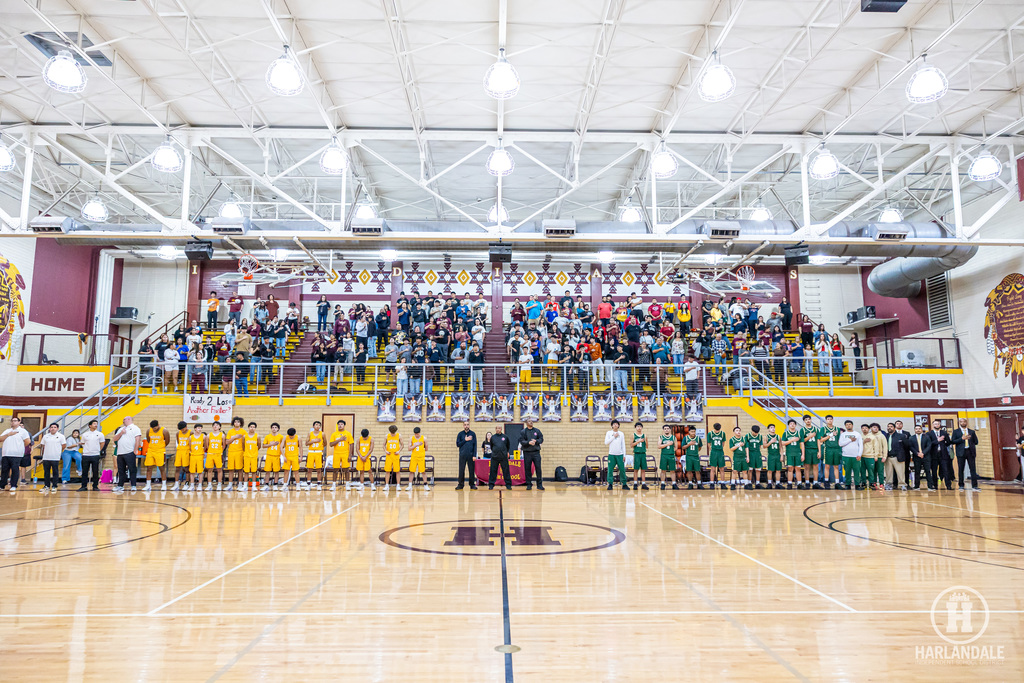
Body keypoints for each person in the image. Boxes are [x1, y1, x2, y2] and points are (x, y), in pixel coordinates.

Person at [112, 416, 142, 493]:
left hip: (129, 452)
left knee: (132, 469)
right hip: (120, 453)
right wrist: (121, 433)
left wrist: (135, 450)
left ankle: (133, 486)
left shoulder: (135, 428)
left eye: (124, 419)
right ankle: (120, 486)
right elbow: (114, 439)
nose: (123, 421)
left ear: (128, 419)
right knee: (121, 470)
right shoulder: (121, 429)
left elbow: (138, 439)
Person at [921, 420, 952, 491]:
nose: (937, 425)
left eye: (938, 424)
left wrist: (943, 445)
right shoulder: (929, 434)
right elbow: (929, 444)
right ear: (933, 425)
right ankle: (935, 485)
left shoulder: (944, 433)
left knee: (946, 470)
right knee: (934, 471)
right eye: (935, 424)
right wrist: (937, 440)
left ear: (939, 425)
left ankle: (948, 485)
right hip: (933, 455)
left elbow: (948, 442)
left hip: (943, 454)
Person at [951, 418, 980, 491]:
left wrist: (970, 441)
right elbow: (953, 441)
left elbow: (976, 442)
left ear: (966, 423)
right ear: (959, 423)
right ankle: (961, 485)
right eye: (961, 422)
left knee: (973, 469)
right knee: (961, 469)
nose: (963, 423)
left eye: (964, 421)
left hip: (970, 452)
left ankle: (974, 486)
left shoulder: (971, 431)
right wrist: (962, 439)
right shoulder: (956, 432)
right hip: (961, 452)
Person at [37, 423, 66, 493]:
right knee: (46, 472)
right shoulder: (45, 436)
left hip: (55, 457)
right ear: (49, 429)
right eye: (51, 427)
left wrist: (57, 451)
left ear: (57, 428)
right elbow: (43, 445)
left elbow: (64, 445)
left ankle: (54, 486)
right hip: (46, 457)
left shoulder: (61, 436)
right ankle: (46, 486)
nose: (53, 428)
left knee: (55, 472)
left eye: (54, 427)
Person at [143, 419, 171, 491]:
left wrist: (160, 446)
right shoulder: (149, 431)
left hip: (160, 451)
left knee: (161, 468)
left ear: (158, 425)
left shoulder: (164, 431)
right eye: (153, 428)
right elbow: (148, 440)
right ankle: (148, 485)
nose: (154, 429)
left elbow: (167, 441)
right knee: (149, 468)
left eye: (155, 428)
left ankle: (164, 485)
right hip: (151, 450)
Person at [79, 419, 105, 491]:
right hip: (86, 455)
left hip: (95, 455)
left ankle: (95, 486)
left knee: (95, 471)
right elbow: (82, 443)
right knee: (84, 472)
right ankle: (83, 486)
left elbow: (102, 443)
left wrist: (98, 450)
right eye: (94, 424)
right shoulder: (85, 434)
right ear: (90, 425)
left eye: (96, 424)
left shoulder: (100, 434)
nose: (96, 425)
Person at [519, 419, 545, 490]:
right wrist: (528, 443)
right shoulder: (523, 431)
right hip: (527, 452)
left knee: (538, 468)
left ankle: (539, 485)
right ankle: (529, 484)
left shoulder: (537, 431)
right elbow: (521, 441)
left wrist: (536, 441)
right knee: (527, 469)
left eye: (531, 421)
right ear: (526, 423)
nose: (531, 422)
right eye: (529, 421)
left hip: (536, 452)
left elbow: (541, 439)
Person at [819, 415, 842, 490]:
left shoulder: (837, 429)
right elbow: (821, 440)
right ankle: (826, 482)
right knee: (827, 466)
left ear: (833, 420)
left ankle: (837, 483)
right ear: (826, 420)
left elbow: (839, 440)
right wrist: (830, 435)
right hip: (828, 449)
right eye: (828, 419)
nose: (829, 420)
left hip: (836, 449)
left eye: (831, 419)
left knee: (836, 466)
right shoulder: (823, 429)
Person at [837, 420, 862, 490]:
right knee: (847, 471)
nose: (848, 425)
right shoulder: (843, 434)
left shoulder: (857, 434)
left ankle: (857, 485)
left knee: (857, 471)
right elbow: (840, 444)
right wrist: (850, 440)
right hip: (846, 456)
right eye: (847, 424)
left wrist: (859, 454)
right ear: (845, 426)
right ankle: (848, 484)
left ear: (852, 425)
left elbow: (861, 445)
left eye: (849, 424)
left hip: (855, 456)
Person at [799, 414, 821, 489]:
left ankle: (815, 483)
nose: (808, 421)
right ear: (804, 421)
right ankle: (807, 482)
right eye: (806, 420)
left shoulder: (816, 429)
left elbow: (818, 440)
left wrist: (819, 451)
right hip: (807, 450)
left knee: (816, 466)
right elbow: (802, 441)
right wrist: (809, 436)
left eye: (809, 419)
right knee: (807, 467)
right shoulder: (802, 430)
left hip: (815, 449)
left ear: (811, 420)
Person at [329, 419, 353, 490]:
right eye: (339, 424)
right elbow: (331, 444)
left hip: (345, 453)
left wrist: (350, 455)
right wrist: (340, 439)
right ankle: (333, 485)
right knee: (335, 469)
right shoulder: (334, 434)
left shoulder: (348, 434)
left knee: (346, 469)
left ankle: (347, 484)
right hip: (336, 453)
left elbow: (351, 444)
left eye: (341, 424)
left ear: (344, 425)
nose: (340, 425)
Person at [604, 420, 628, 490]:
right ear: (612, 426)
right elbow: (606, 442)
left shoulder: (621, 433)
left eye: (616, 424)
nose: (615, 425)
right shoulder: (609, 433)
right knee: (610, 470)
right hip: (611, 455)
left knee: (622, 470)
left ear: (618, 425)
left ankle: (624, 484)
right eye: (614, 424)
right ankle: (610, 484)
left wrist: (624, 455)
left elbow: (623, 445)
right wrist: (613, 436)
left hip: (620, 455)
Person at [487, 425, 513, 490]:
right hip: (494, 457)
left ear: (501, 429)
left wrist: (505, 452)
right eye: (496, 428)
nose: (497, 429)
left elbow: (508, 446)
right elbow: (491, 446)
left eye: (499, 428)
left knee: (506, 471)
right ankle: (491, 485)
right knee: (493, 471)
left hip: (503, 457)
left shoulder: (505, 437)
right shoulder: (493, 437)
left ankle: (508, 485)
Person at [224, 416, 246, 491]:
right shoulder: (230, 431)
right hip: (231, 452)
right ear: (233, 423)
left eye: (238, 422)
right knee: (231, 469)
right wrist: (235, 437)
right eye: (235, 422)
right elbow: (227, 442)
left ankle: (240, 484)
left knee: (240, 469)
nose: (236, 423)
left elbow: (245, 442)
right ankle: (230, 485)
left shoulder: (243, 432)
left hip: (240, 452)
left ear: (240, 423)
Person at [862, 423, 886, 491]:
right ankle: (873, 483)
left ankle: (881, 483)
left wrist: (884, 456)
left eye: (877, 427)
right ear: (871, 428)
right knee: (873, 471)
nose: (875, 429)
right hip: (871, 456)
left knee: (880, 471)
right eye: (874, 427)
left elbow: (885, 446)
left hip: (879, 456)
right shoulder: (867, 436)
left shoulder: (881, 436)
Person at [455, 421, 478, 490]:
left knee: (471, 470)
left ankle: (472, 484)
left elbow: (475, 445)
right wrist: (465, 440)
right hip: (462, 455)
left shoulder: (473, 434)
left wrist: (474, 455)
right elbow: (458, 444)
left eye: (467, 424)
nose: (466, 426)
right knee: (461, 470)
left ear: (469, 425)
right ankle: (460, 485)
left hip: (471, 455)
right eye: (465, 425)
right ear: (463, 426)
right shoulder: (460, 434)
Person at [781, 419, 803, 490]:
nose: (792, 425)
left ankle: (799, 483)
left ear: (795, 425)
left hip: (797, 453)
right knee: (790, 469)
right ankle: (789, 483)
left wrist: (803, 454)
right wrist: (792, 440)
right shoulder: (786, 433)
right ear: (788, 425)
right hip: (789, 453)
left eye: (793, 424)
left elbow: (802, 444)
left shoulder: (799, 433)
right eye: (791, 424)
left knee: (798, 469)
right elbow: (782, 443)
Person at [205, 420, 227, 491]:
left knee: (219, 469)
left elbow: (224, 445)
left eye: (217, 425)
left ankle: (219, 484)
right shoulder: (209, 435)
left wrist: (219, 451)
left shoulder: (222, 435)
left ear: (219, 427)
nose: (215, 426)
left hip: (218, 454)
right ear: (212, 427)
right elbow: (207, 445)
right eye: (214, 425)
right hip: (210, 454)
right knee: (209, 470)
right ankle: (209, 485)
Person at [186, 423, 207, 492]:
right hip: (193, 455)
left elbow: (205, 445)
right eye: (198, 428)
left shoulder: (203, 436)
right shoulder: (191, 437)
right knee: (192, 472)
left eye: (201, 428)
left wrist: (203, 452)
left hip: (200, 455)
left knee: (200, 472)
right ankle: (192, 485)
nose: (200, 429)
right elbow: (189, 446)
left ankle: (199, 485)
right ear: (195, 429)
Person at [262, 423, 283, 490]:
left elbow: (283, 446)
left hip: (277, 456)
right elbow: (263, 446)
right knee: (267, 471)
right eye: (273, 427)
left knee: (276, 471)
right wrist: (271, 444)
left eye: (275, 427)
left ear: (278, 429)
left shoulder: (281, 437)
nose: (274, 429)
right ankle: (266, 484)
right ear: (271, 428)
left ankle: (275, 485)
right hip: (269, 455)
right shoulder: (268, 436)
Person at [305, 421, 326, 490]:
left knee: (319, 469)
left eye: (319, 425)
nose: (317, 426)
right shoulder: (310, 433)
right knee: (309, 469)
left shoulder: (322, 434)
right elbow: (306, 443)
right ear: (313, 426)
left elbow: (325, 443)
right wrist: (314, 441)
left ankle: (319, 484)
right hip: (311, 452)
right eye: (316, 425)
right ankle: (308, 484)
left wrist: (320, 446)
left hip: (318, 452)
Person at [657, 425, 679, 490]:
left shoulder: (673, 437)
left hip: (671, 455)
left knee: (672, 470)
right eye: (665, 429)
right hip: (664, 455)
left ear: (670, 430)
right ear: (663, 430)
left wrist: (671, 451)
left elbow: (676, 447)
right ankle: (662, 484)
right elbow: (659, 446)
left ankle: (674, 484)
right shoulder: (661, 437)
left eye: (667, 428)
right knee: (663, 470)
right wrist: (667, 444)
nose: (666, 430)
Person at [170, 421, 189, 490]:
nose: (182, 430)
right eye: (181, 429)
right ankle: (176, 484)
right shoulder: (178, 433)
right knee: (177, 468)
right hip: (179, 451)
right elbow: (178, 442)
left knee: (186, 469)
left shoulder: (190, 433)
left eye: (183, 429)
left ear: (186, 427)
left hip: (186, 451)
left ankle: (187, 484)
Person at [408, 427, 429, 491]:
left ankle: (425, 485)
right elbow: (409, 448)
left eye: (417, 434)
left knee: (423, 471)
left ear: (419, 433)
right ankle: (410, 485)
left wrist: (421, 448)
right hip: (414, 457)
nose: (416, 435)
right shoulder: (411, 438)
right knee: (411, 471)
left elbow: (426, 449)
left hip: (421, 457)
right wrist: (415, 445)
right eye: (415, 434)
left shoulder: (424, 438)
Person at [242, 422, 261, 490]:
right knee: (246, 471)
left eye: (253, 427)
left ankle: (254, 486)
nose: (252, 428)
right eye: (251, 427)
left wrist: (254, 451)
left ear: (255, 428)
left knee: (254, 471)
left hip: (254, 456)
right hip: (246, 456)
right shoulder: (245, 436)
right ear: (248, 428)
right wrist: (246, 451)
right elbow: (243, 445)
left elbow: (259, 446)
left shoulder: (257, 436)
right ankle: (245, 486)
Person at [630, 422, 649, 491]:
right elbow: (631, 445)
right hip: (637, 454)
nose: (639, 428)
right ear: (635, 428)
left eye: (640, 426)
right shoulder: (633, 435)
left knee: (643, 469)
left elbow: (647, 446)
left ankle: (643, 484)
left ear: (642, 428)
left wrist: (644, 442)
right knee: (636, 469)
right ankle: (635, 483)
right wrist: (638, 441)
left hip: (643, 454)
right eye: (638, 426)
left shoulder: (645, 435)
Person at [707, 423, 727, 489]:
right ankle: (712, 483)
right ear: (713, 428)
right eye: (716, 430)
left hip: (720, 452)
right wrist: (712, 449)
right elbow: (709, 443)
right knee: (713, 468)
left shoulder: (723, 434)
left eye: (718, 430)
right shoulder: (710, 434)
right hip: (713, 452)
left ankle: (723, 483)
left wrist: (720, 448)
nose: (717, 431)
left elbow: (723, 443)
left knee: (721, 468)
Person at [744, 425, 764, 490]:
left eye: (757, 433)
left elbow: (760, 446)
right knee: (750, 469)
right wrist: (747, 456)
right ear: (752, 431)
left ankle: (757, 483)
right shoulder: (747, 436)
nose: (756, 434)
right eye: (755, 432)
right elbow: (746, 447)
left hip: (757, 453)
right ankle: (749, 483)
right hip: (750, 453)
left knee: (758, 469)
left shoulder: (760, 436)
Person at [763, 424, 782, 489]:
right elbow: (764, 446)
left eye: (774, 427)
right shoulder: (766, 437)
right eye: (771, 427)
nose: (773, 429)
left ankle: (778, 483)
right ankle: (769, 483)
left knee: (778, 470)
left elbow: (781, 447)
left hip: (777, 455)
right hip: (771, 455)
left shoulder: (778, 437)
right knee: (770, 470)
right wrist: (770, 442)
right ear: (768, 429)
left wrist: (781, 455)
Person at [728, 426, 746, 491]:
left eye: (739, 430)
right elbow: (731, 449)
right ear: (734, 432)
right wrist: (738, 445)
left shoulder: (744, 439)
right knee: (734, 471)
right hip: (736, 457)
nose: (738, 432)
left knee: (744, 471)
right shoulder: (732, 439)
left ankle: (746, 484)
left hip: (743, 457)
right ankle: (733, 484)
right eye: (737, 430)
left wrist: (747, 456)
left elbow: (746, 448)